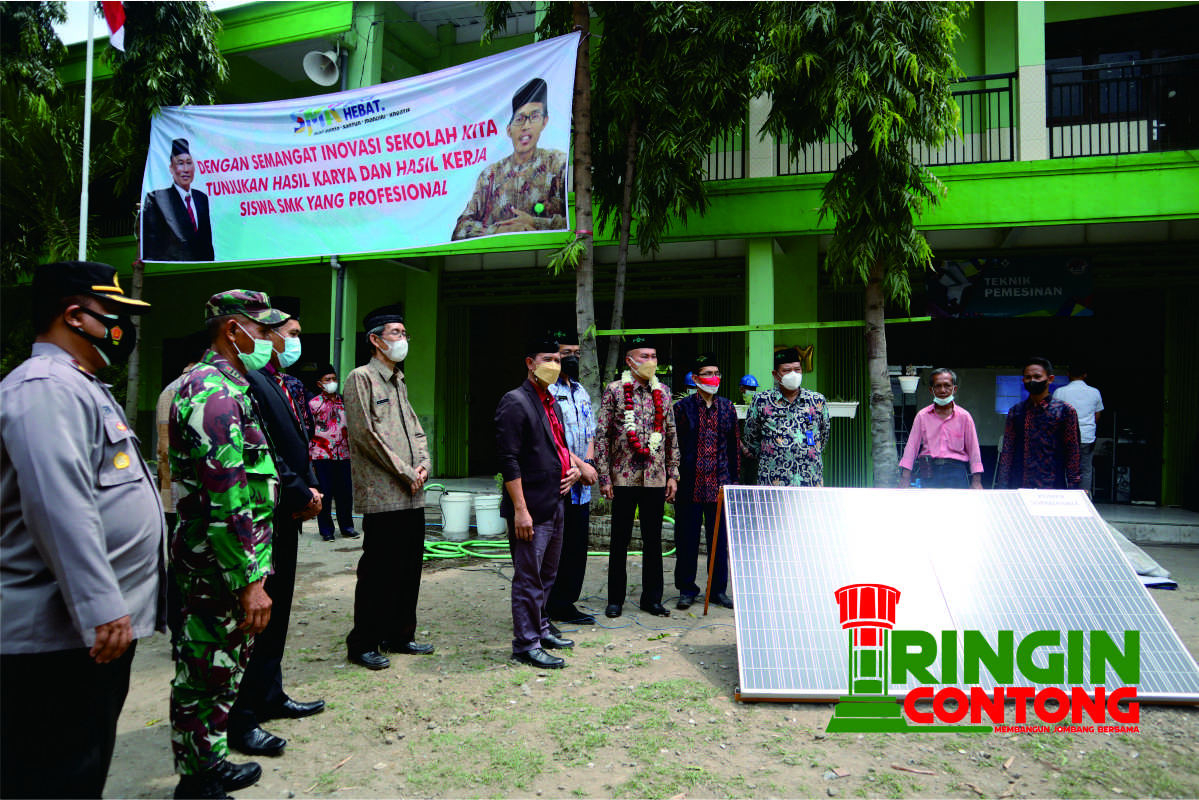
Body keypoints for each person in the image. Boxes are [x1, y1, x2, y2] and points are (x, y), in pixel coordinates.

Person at [1, 261, 164, 800]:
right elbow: (58, 504)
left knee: (83, 764)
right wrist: (102, 606)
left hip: (86, 635)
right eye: (113, 316)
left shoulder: (80, 384)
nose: (121, 328)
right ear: (75, 316)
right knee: (57, 772)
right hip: (61, 638)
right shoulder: (44, 388)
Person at [169, 290, 285, 798]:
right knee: (203, 671)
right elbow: (227, 496)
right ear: (231, 329)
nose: (267, 341)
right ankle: (196, 779)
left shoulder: (232, 387)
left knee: (224, 668)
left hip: (233, 561)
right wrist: (248, 578)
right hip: (217, 566)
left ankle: (211, 759)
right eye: (261, 332)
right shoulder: (211, 393)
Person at [228, 314, 327, 758]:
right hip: (267, 510)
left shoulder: (279, 380)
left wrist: (308, 489)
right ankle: (241, 715)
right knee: (255, 618)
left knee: (279, 611)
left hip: (288, 507)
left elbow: (298, 441)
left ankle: (269, 693)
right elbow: (261, 448)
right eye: (288, 334)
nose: (291, 342)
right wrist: (298, 490)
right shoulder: (247, 382)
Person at [343, 306, 434, 671]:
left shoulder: (399, 380)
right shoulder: (360, 378)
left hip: (412, 493)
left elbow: (415, 429)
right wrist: (404, 470)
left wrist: (424, 464)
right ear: (375, 340)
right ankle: (363, 641)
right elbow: (366, 434)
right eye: (396, 333)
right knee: (379, 570)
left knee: (409, 566)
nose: (402, 340)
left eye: (404, 333)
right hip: (383, 494)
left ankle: (400, 634)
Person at [496, 337, 591, 668]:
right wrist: (520, 509)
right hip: (531, 507)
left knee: (548, 574)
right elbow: (508, 460)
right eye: (547, 358)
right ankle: (526, 643)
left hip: (556, 501)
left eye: (557, 359)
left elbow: (560, 447)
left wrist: (575, 470)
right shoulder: (515, 402)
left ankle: (542, 628)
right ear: (529, 363)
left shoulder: (551, 402)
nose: (554, 364)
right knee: (529, 576)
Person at [594, 335, 680, 619]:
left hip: (655, 478)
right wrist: (604, 478)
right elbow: (603, 436)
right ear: (629, 360)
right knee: (619, 541)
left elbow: (670, 435)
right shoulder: (615, 391)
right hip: (622, 478)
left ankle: (652, 599)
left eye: (654, 356)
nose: (651, 362)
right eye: (645, 356)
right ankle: (615, 600)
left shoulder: (664, 393)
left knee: (653, 540)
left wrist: (673, 474)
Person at [451, 77, 568, 240]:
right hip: (497, 260)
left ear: (544, 122)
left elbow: (577, 223)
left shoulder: (559, 165)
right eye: (519, 119)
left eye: (534, 117)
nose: (526, 126)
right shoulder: (490, 175)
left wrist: (535, 223)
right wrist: (499, 231)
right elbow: (460, 229)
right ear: (508, 129)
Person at [672, 353, 740, 611]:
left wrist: (734, 482)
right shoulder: (682, 409)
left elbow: (734, 448)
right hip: (689, 486)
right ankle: (687, 589)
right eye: (708, 373)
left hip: (720, 485)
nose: (714, 378)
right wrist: (674, 478)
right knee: (687, 540)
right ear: (697, 379)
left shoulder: (728, 407)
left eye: (717, 372)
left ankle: (718, 590)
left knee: (718, 542)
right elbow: (674, 447)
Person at [546, 331, 598, 625]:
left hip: (583, 484)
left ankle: (567, 603)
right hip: (562, 483)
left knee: (577, 547)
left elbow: (590, 433)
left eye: (577, 353)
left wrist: (588, 463)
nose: (573, 359)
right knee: (557, 547)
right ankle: (551, 603)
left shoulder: (581, 390)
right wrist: (579, 468)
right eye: (567, 353)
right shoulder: (548, 392)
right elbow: (556, 440)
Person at [158, 353, 202, 653]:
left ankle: (186, 633)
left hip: (182, 497)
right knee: (185, 568)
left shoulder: (179, 388)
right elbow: (165, 450)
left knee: (187, 567)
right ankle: (182, 634)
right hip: (183, 497)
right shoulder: (181, 390)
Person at [744, 348, 831, 487]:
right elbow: (751, 439)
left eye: (797, 369)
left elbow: (824, 435)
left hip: (810, 480)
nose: (793, 374)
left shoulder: (816, 401)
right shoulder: (761, 401)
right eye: (786, 370)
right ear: (776, 374)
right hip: (773, 481)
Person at [996, 357, 1083, 490]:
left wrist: (1074, 487)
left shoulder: (1065, 411)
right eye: (1028, 377)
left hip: (1052, 487)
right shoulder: (1016, 411)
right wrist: (1002, 486)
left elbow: (1073, 453)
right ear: (1023, 380)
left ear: (1050, 379)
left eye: (1037, 376)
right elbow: (1008, 451)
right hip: (1020, 484)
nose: (1032, 381)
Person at [898, 368, 985, 489]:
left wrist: (977, 480)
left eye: (947, 385)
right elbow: (911, 447)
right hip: (930, 473)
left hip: (956, 472)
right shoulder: (922, 416)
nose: (943, 390)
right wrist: (905, 477)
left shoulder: (965, 417)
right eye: (938, 386)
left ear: (954, 389)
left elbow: (974, 449)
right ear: (931, 390)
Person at [142, 137, 215, 262]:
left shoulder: (201, 198)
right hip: (174, 266)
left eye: (189, 162)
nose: (186, 169)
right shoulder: (158, 199)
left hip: (202, 267)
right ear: (171, 168)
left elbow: (207, 241)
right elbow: (152, 243)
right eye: (180, 163)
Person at [309, 365, 359, 541]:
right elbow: (308, 431)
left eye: (334, 378)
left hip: (344, 454)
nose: (332, 382)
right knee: (326, 493)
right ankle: (326, 530)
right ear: (319, 384)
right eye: (327, 379)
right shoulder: (314, 404)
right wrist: (309, 460)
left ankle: (347, 527)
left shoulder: (345, 402)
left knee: (345, 493)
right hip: (322, 455)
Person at [1052, 364, 1104, 493]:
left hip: (1065, 437)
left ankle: (1065, 495)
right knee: (1085, 468)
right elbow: (1097, 415)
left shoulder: (1060, 392)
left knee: (1064, 467)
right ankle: (1084, 497)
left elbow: (1054, 416)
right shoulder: (1095, 392)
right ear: (1085, 375)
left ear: (1068, 374)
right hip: (1087, 437)